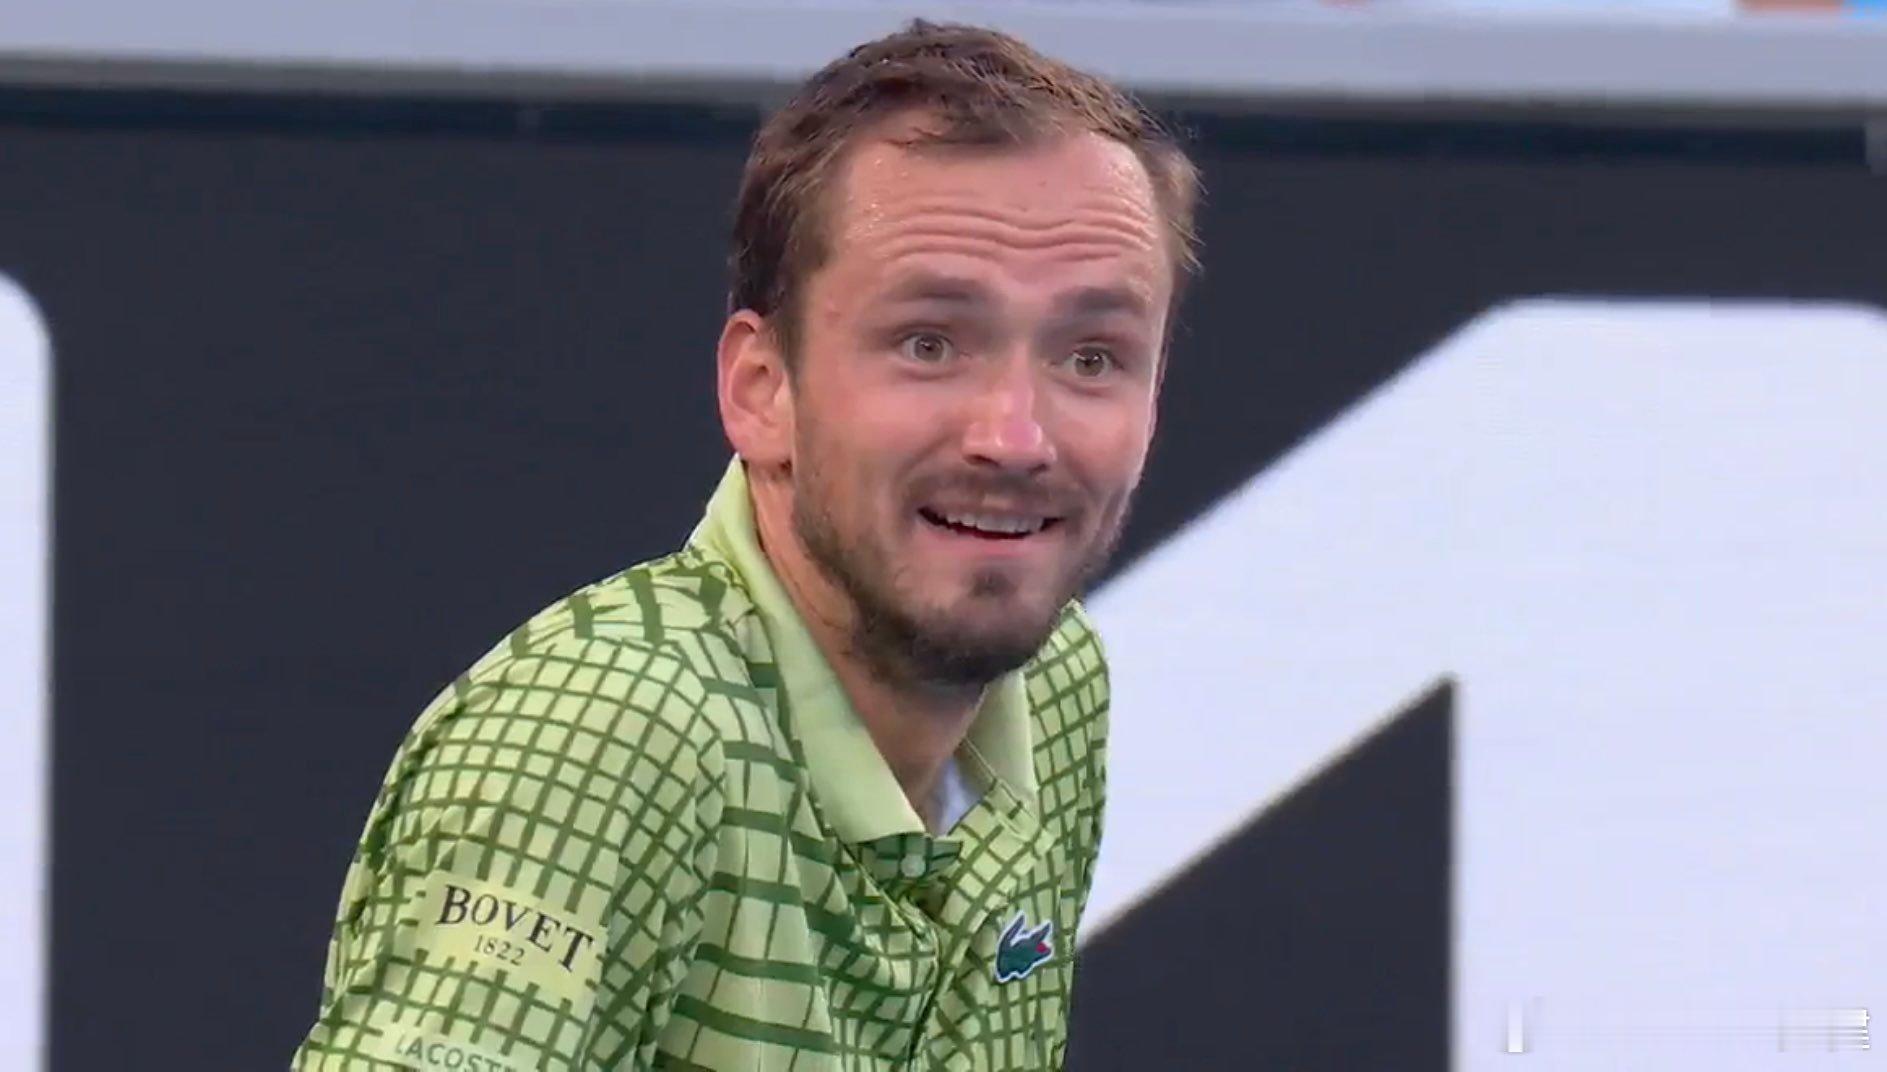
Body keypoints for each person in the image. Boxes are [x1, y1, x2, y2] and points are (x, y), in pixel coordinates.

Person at [291, 18, 1200, 1071]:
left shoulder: (1055, 684)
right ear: (762, 390)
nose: (1015, 437)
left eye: (1091, 356)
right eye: (928, 343)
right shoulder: (606, 738)